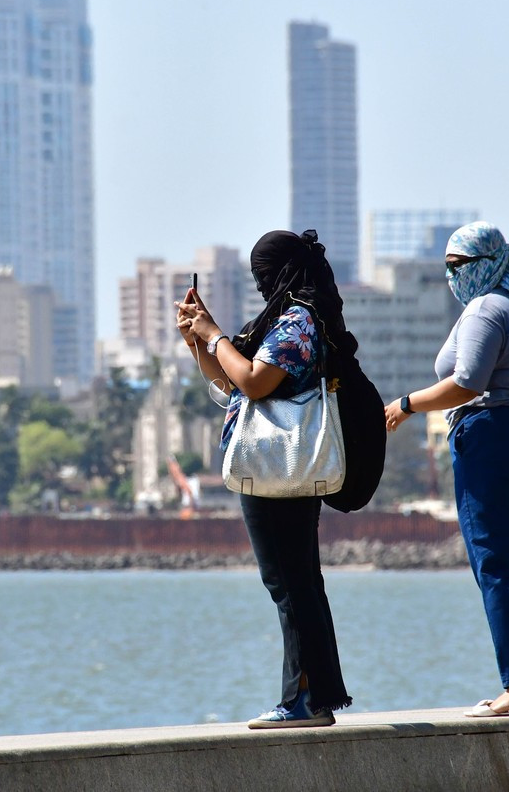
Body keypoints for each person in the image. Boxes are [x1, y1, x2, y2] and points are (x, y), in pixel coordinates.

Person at [384, 221, 509, 718]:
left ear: (486, 263)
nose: (451, 276)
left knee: (495, 563)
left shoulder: (488, 308)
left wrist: (406, 404)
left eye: (457, 267)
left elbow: (467, 383)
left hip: (493, 440)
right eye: (445, 267)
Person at [175, 228, 353, 729]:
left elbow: (254, 382)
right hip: (273, 464)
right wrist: (199, 341)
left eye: (263, 273)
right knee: (296, 582)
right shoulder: (286, 318)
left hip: (282, 466)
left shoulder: (299, 320)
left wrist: (214, 333)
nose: (259, 283)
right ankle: (316, 696)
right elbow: (228, 381)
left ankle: (303, 699)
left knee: (289, 584)